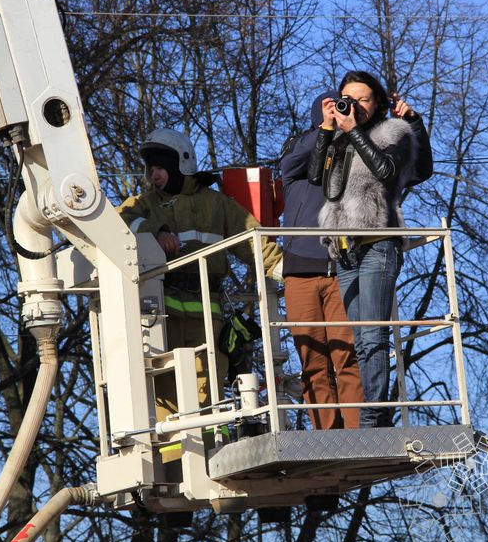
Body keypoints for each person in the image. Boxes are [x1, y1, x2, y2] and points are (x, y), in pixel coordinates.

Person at [118, 127, 282, 461]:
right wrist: (155, 230)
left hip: (207, 313)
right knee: (166, 392)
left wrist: (286, 273)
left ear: (181, 164)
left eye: (160, 166)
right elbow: (121, 222)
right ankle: (175, 464)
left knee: (207, 388)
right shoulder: (144, 205)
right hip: (161, 312)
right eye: (150, 168)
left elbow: (253, 241)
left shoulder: (217, 204)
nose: (154, 175)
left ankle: (212, 456)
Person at [307, 71, 427, 428]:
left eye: (363, 99)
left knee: (373, 333)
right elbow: (316, 177)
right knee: (361, 338)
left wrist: (353, 131)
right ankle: (375, 412)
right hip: (344, 250)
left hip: (378, 243)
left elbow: (387, 173)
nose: (354, 106)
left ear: (377, 104)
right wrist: (328, 131)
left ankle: (375, 416)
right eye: (347, 98)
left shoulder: (394, 133)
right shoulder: (339, 138)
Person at [281, 91, 364, 430]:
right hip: (301, 269)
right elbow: (288, 165)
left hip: (341, 267)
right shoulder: (300, 150)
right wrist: (324, 128)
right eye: (330, 108)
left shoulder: (354, 153)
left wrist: (350, 129)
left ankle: (360, 431)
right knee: (311, 356)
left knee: (347, 353)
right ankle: (326, 432)